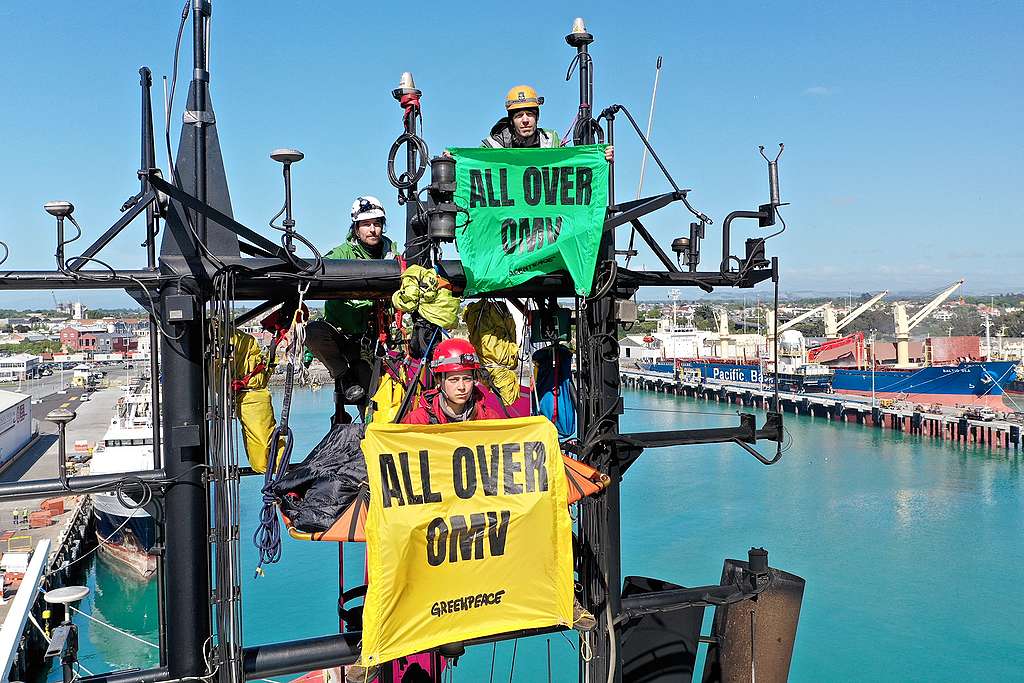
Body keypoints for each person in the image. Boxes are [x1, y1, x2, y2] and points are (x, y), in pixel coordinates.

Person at [305, 196, 398, 422]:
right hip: (341, 336)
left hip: (370, 344)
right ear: (356, 228)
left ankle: (374, 443)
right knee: (313, 332)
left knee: (373, 407)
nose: (373, 229)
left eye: (377, 223)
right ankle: (343, 375)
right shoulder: (341, 254)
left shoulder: (393, 256)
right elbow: (316, 271)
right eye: (366, 224)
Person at [482, 85, 614, 162]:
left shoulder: (551, 142)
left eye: (530, 114)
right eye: (518, 116)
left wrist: (600, 157)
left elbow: (572, 164)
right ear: (511, 120)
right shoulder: (492, 147)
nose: (525, 120)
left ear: (537, 117)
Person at [402, 338, 502, 424]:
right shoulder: (418, 421)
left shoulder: (489, 419)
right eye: (454, 380)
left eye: (467, 379)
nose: (462, 387)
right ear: (439, 380)